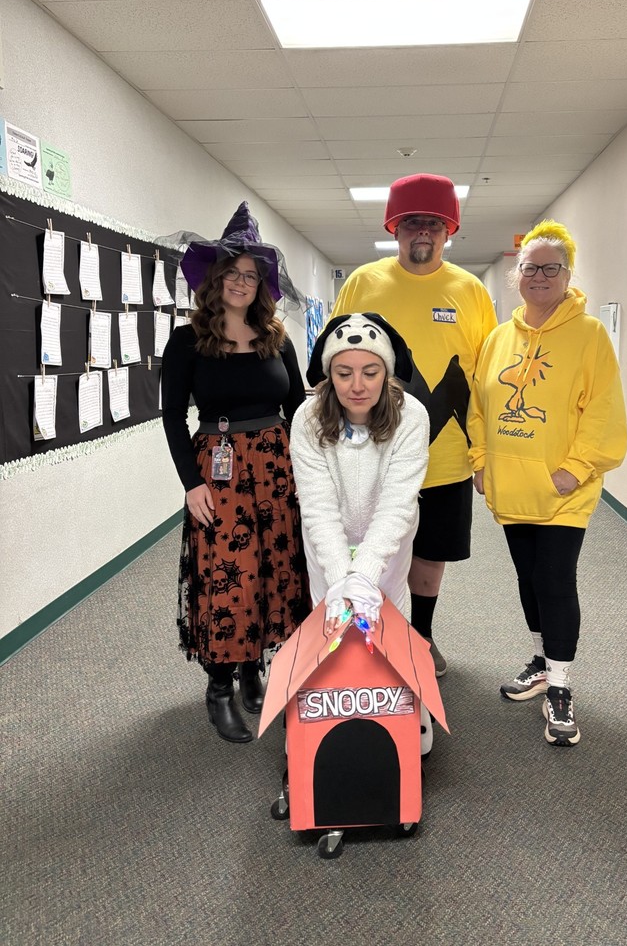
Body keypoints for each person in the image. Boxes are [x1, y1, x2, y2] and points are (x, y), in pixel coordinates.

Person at [467, 219, 627, 746]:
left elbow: (602, 411)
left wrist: (576, 469)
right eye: (530, 267)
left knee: (555, 578)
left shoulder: (589, 336)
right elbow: (479, 406)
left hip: (564, 491)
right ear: (516, 275)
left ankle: (560, 686)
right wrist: (480, 461)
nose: (540, 276)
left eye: (551, 268)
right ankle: (542, 658)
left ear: (567, 274)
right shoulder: (498, 338)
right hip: (512, 487)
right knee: (528, 577)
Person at [331, 174, 497, 676]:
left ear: (448, 231)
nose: (421, 232)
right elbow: (336, 360)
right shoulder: (364, 282)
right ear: (395, 229)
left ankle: (421, 635)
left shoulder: (470, 291)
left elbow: (486, 379)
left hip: (446, 455)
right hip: (372, 449)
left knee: (430, 554)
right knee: (372, 544)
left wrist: (484, 455)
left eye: (432, 223)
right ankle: (366, 630)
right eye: (410, 223)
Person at [161, 202, 310, 744]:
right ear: (214, 279)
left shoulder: (278, 339)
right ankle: (220, 686)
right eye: (232, 273)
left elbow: (299, 409)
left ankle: (254, 669)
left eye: (251, 275)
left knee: (275, 570)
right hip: (218, 471)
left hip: (277, 468)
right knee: (229, 576)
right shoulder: (187, 341)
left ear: (261, 284)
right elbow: (172, 416)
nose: (241, 283)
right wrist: (191, 484)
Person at [288, 313, 433, 752]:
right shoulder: (308, 418)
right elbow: (316, 506)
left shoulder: (412, 416)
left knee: (388, 625)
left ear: (386, 372)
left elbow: (396, 505)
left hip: (387, 546)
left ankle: (408, 721)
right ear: (328, 375)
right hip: (326, 547)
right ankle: (322, 724)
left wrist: (365, 574)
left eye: (370, 372)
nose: (357, 385)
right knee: (330, 629)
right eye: (344, 373)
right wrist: (341, 577)